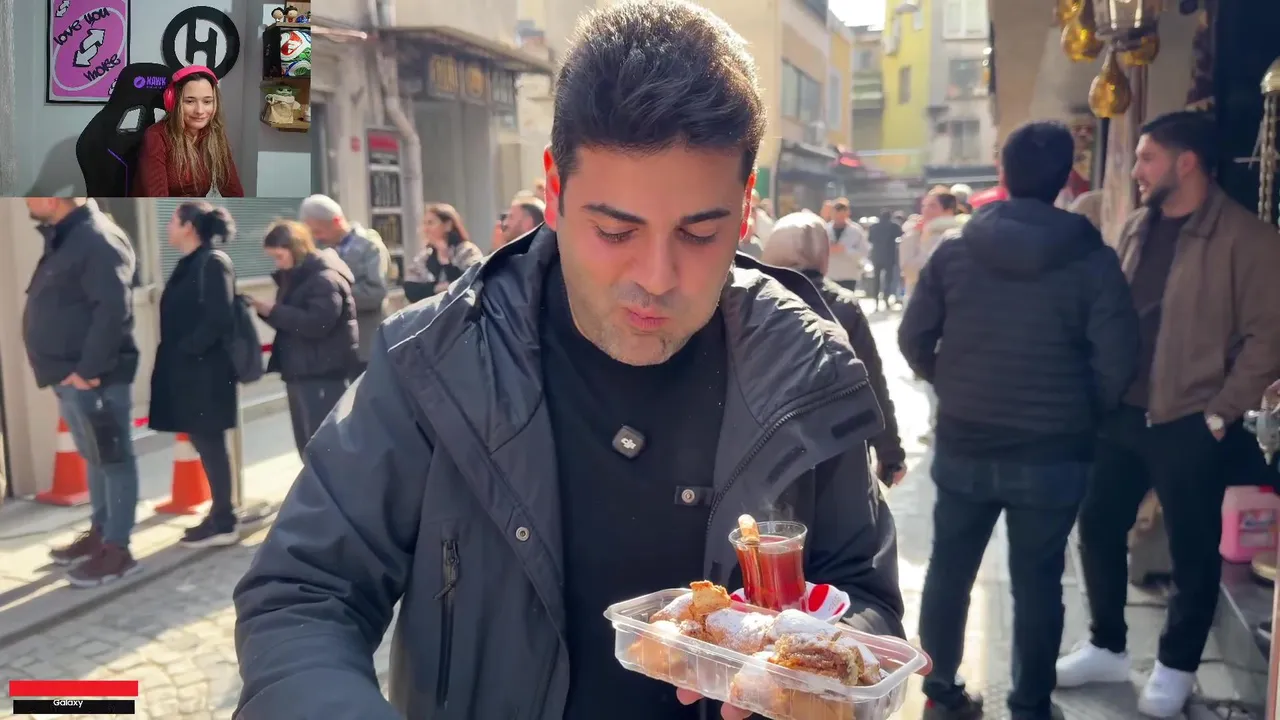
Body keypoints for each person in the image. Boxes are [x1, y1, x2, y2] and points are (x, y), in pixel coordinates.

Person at [232, 2, 904, 718]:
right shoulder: (436, 363)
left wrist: (820, 679)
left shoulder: (805, 368)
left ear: (745, 210)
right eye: (615, 231)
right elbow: (303, 592)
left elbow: (861, 593)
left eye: (699, 233)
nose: (656, 277)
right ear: (554, 190)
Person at [898, 120, 1140, 720]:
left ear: (1002, 173)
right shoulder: (1092, 258)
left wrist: (953, 384)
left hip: (965, 441)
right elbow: (1118, 359)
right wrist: (1080, 407)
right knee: (1039, 580)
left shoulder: (956, 250)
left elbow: (913, 336)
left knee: (949, 570)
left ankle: (942, 693)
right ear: (1065, 179)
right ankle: (1031, 705)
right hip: (1054, 452)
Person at [1057, 110, 1280, 718]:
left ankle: (1177, 666)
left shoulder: (1249, 239)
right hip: (1123, 412)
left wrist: (1221, 412)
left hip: (1191, 418)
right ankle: (1106, 644)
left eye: (1146, 158)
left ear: (1186, 163)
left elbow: (1268, 338)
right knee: (1098, 524)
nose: (1136, 170)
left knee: (1193, 550)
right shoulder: (1137, 225)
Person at [23, 198, 142, 587]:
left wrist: (87, 371)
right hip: (71, 377)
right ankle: (101, 532)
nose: (26, 198)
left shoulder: (98, 238)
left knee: (114, 460)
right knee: (95, 458)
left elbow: (113, 309)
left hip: (95, 380)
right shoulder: (68, 236)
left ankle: (118, 551)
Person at [762, 211, 906, 486]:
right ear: (822, 254)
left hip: (765, 451)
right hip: (836, 449)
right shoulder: (842, 305)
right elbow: (871, 382)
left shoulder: (751, 302)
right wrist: (890, 453)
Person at [148, 202, 242, 547]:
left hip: (206, 373)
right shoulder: (190, 263)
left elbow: (220, 318)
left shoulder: (212, 262)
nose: (168, 227)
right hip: (190, 371)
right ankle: (219, 513)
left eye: (173, 221)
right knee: (205, 443)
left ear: (189, 226)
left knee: (210, 443)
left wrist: (190, 348)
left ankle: (224, 520)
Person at [251, 221, 359, 454]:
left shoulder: (323, 278)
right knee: (307, 442)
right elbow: (292, 322)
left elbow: (317, 323)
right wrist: (269, 312)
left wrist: (275, 311)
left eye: (279, 256)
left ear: (295, 248)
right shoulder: (295, 278)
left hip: (321, 371)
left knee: (323, 444)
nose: (277, 263)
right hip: (301, 369)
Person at [297, 195, 389, 378]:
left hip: (365, 344)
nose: (317, 238)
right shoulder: (321, 252)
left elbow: (375, 293)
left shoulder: (370, 247)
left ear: (337, 221)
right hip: (335, 350)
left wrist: (333, 296)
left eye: (318, 231)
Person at [134, 66, 245, 197]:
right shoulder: (156, 137)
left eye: (207, 101)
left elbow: (234, 194)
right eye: (190, 101)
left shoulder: (214, 134)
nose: (200, 111)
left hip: (194, 209)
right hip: (161, 209)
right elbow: (158, 201)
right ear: (173, 102)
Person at [403, 203, 484, 303]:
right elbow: (410, 290)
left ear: (447, 225)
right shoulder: (424, 256)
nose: (425, 229)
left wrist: (445, 261)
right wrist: (436, 288)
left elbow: (470, 283)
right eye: (424, 223)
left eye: (430, 223)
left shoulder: (467, 251)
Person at [824, 198, 869, 293]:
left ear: (848, 213)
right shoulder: (825, 230)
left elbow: (864, 252)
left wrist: (845, 250)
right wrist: (828, 250)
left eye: (842, 214)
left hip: (848, 274)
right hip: (830, 274)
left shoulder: (856, 231)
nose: (839, 217)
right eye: (836, 213)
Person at [867, 209, 902, 310]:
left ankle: (876, 302)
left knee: (876, 280)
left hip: (876, 256)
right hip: (889, 256)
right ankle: (886, 300)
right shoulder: (894, 226)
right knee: (888, 280)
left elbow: (869, 239)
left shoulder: (874, 227)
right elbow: (900, 236)